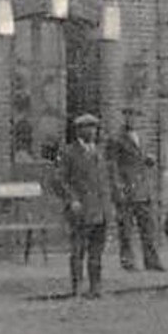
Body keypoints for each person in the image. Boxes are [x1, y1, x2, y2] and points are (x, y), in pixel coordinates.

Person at [52, 113, 112, 298]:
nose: (92, 131)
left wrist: (108, 205)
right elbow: (58, 180)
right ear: (79, 130)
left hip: (99, 209)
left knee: (96, 251)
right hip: (81, 210)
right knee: (78, 250)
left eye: (94, 127)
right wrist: (72, 199)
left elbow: (104, 180)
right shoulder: (69, 152)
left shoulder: (99, 152)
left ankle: (95, 286)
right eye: (88, 127)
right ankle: (76, 286)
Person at [106, 111, 164, 272]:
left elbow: (140, 158)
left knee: (148, 228)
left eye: (137, 116)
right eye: (129, 116)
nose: (133, 119)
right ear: (124, 118)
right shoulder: (116, 139)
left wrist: (148, 159)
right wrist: (118, 187)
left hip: (142, 190)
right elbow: (112, 165)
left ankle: (151, 261)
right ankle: (128, 262)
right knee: (126, 229)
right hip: (126, 190)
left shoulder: (141, 137)